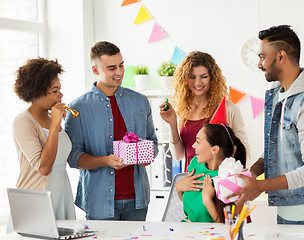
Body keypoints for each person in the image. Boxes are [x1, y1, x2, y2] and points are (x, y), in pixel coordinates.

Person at [227, 25, 304, 225]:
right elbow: (275, 149)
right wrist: (250, 174)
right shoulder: (277, 94)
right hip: (287, 206)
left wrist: (260, 186)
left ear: (280, 56)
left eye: (263, 57)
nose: (259, 64)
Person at [65, 41, 158, 221]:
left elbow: (152, 143)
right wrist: (105, 161)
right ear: (95, 70)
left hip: (137, 200)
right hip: (98, 201)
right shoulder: (78, 108)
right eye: (111, 68)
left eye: (121, 65)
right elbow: (73, 157)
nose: (119, 72)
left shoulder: (141, 102)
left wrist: (146, 156)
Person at [159, 51, 250, 172]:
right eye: (192, 77)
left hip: (217, 178)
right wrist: (172, 123)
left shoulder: (229, 109)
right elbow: (179, 155)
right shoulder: (181, 109)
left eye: (204, 77)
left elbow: (243, 151)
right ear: (185, 79)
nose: (198, 82)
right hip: (191, 178)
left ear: (212, 78)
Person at [12, 58, 76, 220]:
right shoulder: (23, 121)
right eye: (55, 91)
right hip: (36, 199)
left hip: (61, 194)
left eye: (59, 89)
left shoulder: (52, 116)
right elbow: (44, 168)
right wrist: (55, 125)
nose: (60, 95)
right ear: (37, 92)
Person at [176, 123, 246, 223]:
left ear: (214, 149)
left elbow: (227, 226)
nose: (193, 145)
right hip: (188, 229)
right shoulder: (195, 163)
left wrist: (207, 200)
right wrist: (179, 188)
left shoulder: (230, 179)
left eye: (198, 142)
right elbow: (191, 202)